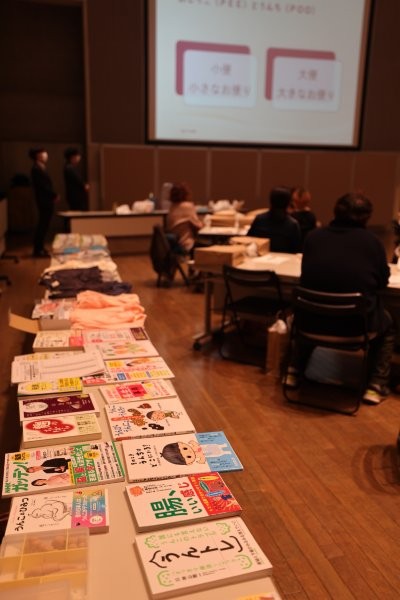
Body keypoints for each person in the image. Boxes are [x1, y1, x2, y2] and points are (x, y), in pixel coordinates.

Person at [285, 192, 395, 405]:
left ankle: (293, 370)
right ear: (367, 217)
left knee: (312, 308)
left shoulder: (314, 237)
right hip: (354, 328)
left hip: (308, 325)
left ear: (335, 211)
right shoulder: (372, 243)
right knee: (388, 324)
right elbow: (382, 282)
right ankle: (376, 385)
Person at [247, 186, 301, 253]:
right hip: (285, 259)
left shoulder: (259, 219)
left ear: (271, 201)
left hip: (260, 257)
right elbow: (296, 251)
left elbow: (248, 240)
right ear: (288, 203)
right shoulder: (293, 225)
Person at [29, 147, 59, 257]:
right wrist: (53, 195)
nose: (46, 155)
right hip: (43, 200)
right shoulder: (36, 169)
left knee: (45, 224)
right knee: (42, 224)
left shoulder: (40, 167)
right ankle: (38, 249)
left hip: (46, 200)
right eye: (43, 153)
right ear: (38, 156)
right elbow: (43, 186)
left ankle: (40, 247)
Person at [165, 182, 203, 256]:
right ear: (186, 193)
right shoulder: (188, 206)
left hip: (175, 246)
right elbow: (199, 226)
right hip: (187, 245)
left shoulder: (172, 207)